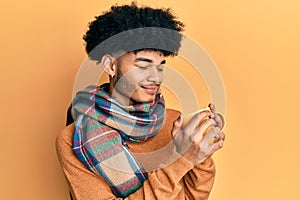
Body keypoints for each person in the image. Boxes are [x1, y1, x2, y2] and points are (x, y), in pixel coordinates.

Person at [56, 2, 225, 200]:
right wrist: (179, 159)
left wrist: (201, 147)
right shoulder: (73, 139)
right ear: (110, 66)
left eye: (160, 67)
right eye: (143, 66)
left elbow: (194, 197)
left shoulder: (174, 122)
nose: (157, 78)